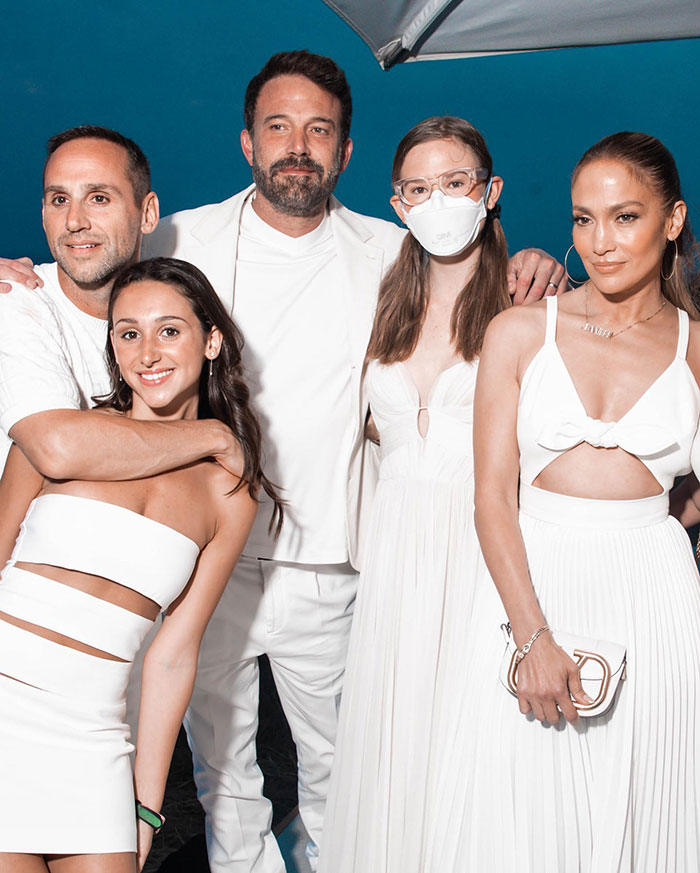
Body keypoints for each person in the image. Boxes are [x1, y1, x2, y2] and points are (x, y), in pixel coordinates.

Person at [0, 52, 565, 873]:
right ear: (246, 143)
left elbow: (468, 276)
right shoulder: (182, 234)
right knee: (223, 772)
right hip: (202, 554)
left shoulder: (388, 252)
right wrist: (19, 274)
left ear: (343, 152)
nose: (296, 146)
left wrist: (534, 260)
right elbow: (91, 258)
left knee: (339, 764)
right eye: (277, 127)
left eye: (318, 130)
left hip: (326, 559)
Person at [0, 256, 282, 873]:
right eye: (128, 333)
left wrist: (146, 806)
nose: (147, 352)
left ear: (211, 341)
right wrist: (213, 436)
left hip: (95, 738)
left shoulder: (228, 491)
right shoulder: (64, 439)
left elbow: (174, 655)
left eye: (168, 330)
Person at [468, 132, 700, 872]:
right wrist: (532, 638)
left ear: (672, 220)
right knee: (526, 819)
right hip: (530, 586)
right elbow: (489, 500)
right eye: (582, 219)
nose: (600, 242)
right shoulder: (518, 333)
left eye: (624, 217)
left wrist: (649, 523)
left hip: (655, 591)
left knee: (643, 812)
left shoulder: (697, 347)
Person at [318, 115, 514, 873]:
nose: (439, 201)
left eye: (457, 183)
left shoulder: (526, 308)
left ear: (489, 192)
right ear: (398, 203)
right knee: (394, 750)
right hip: (396, 561)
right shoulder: (379, 304)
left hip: (484, 555)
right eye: (419, 188)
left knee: (477, 756)